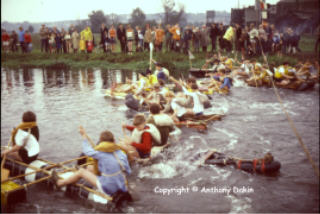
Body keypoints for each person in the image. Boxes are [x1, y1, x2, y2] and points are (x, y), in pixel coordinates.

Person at [52, 126, 131, 197]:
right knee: (89, 167)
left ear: (101, 142)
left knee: (81, 171)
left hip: (108, 188)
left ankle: (59, 183)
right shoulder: (121, 153)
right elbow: (128, 172)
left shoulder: (100, 153)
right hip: (121, 186)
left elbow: (86, 150)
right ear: (113, 140)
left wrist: (83, 135)